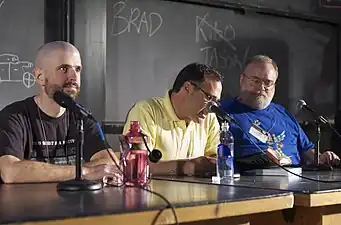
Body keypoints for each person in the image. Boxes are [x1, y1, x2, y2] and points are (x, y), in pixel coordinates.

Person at [0, 41, 121, 184]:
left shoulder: (82, 116)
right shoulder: (14, 117)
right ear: (40, 76)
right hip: (29, 205)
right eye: (64, 69)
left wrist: (44, 172)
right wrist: (85, 171)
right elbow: (10, 172)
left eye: (77, 69)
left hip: (76, 205)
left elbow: (108, 162)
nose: (73, 77)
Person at [220, 55, 340, 168]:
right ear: (242, 80)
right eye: (255, 81)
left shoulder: (283, 114)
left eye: (268, 82)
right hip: (251, 185)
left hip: (298, 182)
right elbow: (216, 159)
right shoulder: (222, 112)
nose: (261, 88)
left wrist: (322, 158)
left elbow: (308, 152)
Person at [122, 63, 222, 177]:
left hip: (197, 193)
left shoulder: (209, 118)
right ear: (187, 88)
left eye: (216, 102)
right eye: (209, 98)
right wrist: (185, 167)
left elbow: (215, 160)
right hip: (153, 193)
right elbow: (136, 166)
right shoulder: (146, 111)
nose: (211, 108)